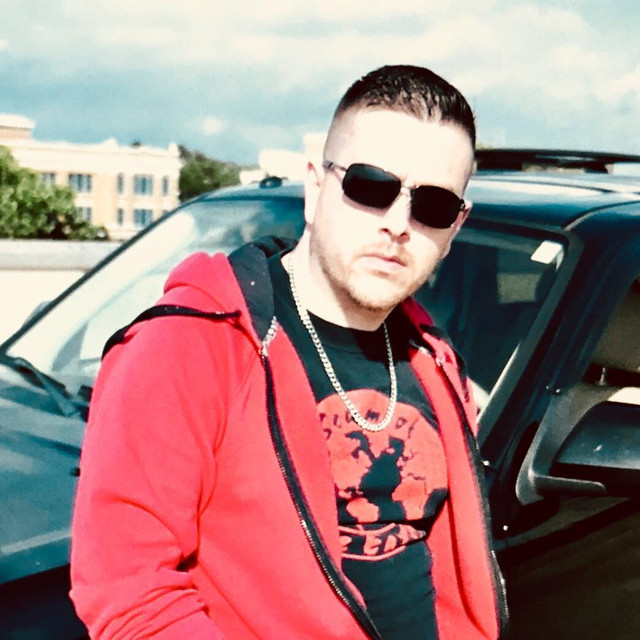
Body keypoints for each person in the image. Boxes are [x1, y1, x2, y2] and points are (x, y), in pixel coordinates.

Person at [70, 64, 508, 640]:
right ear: (316, 189)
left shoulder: (433, 359)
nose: (399, 224)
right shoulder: (190, 345)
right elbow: (130, 594)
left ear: (455, 226)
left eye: (433, 205)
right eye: (371, 187)